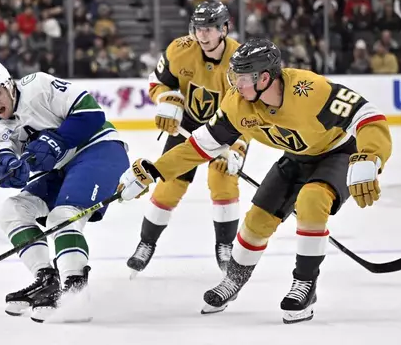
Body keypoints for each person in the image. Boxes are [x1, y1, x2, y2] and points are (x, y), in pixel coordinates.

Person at [117, 38, 392, 324]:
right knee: (256, 221)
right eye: (233, 76)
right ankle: (234, 280)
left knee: (312, 201)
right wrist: (153, 170)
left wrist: (371, 155)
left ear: (265, 77)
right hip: (297, 158)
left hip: (337, 153)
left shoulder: (308, 90)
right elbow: (200, 146)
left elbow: (366, 114)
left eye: (242, 77)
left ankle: (305, 285)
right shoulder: (238, 103)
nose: (235, 84)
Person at [0, 61, 129, 323]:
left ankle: (75, 289)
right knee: (12, 211)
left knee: (62, 216)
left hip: (100, 150)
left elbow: (91, 114)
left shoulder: (39, 86)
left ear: (9, 85)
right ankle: (47, 279)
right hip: (62, 169)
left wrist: (57, 139)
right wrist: (8, 169)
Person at [127, 1, 247, 276]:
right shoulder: (179, 50)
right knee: (169, 184)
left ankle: (225, 246)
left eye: (209, 29)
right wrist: (168, 100)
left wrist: (239, 145)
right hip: (189, 125)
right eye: (199, 28)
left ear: (224, 29)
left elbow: (251, 108)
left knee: (222, 180)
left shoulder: (241, 60)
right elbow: (158, 81)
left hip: (228, 128)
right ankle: (146, 243)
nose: (202, 35)